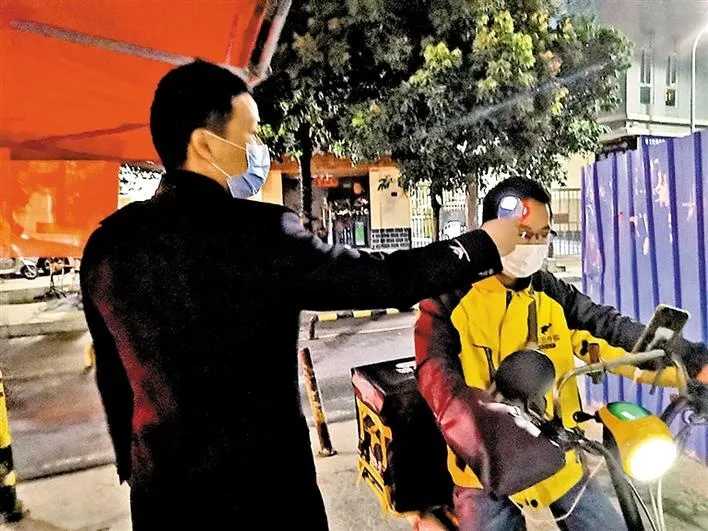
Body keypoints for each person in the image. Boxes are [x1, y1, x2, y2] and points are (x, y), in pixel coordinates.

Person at [79, 59, 524, 530]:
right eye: (249, 134)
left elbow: (113, 377)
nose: (257, 149)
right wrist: (482, 244)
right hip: (267, 496)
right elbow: (385, 279)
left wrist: (135, 467)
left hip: (163, 501)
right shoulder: (259, 235)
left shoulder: (107, 245)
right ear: (205, 144)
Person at [414, 176, 708, 531]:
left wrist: (691, 364)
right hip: (485, 469)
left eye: (542, 234)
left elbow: (606, 330)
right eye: (523, 234)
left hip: (558, 453)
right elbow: (434, 374)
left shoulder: (550, 292)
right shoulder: (450, 297)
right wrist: (476, 428)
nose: (533, 245)